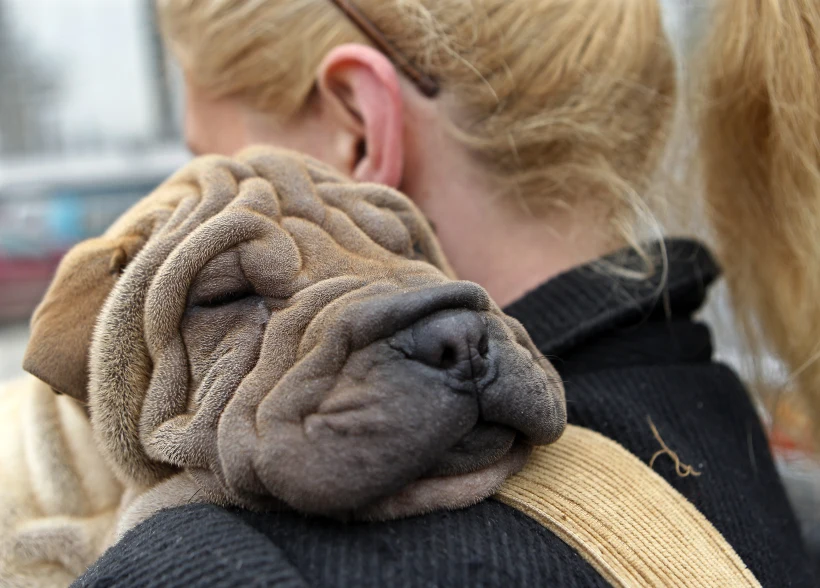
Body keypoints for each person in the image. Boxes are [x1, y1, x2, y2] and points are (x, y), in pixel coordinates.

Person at [75, 0, 819, 586]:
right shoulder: (736, 436)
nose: (184, 200)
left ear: (358, 132)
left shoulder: (217, 564)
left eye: (211, 158)